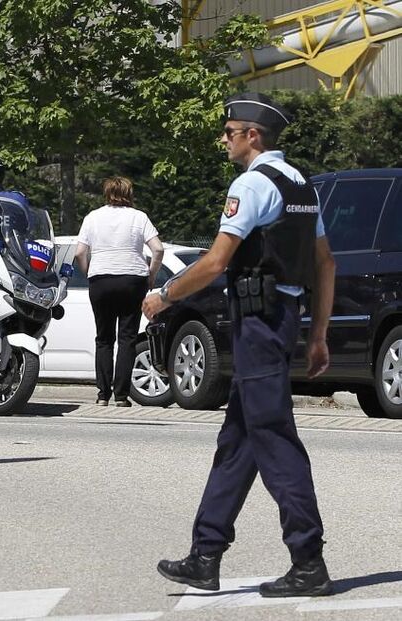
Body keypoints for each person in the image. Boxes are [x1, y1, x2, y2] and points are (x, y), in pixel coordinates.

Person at [142, 92, 336, 598]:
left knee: (272, 436)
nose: (223, 139)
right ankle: (205, 555)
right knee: (238, 442)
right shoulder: (302, 185)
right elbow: (326, 264)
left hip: (258, 322)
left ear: (253, 135)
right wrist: (317, 335)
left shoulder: (251, 184)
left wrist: (163, 295)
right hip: (282, 318)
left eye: (230, 132)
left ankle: (309, 560)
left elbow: (215, 262)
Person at [74, 177, 163, 407]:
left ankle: (102, 394)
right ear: (129, 193)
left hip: (101, 279)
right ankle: (121, 396)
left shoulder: (93, 217)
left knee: (103, 338)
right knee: (127, 339)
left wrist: (89, 273)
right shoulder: (138, 217)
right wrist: (151, 274)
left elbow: (80, 253)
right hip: (132, 279)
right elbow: (158, 249)